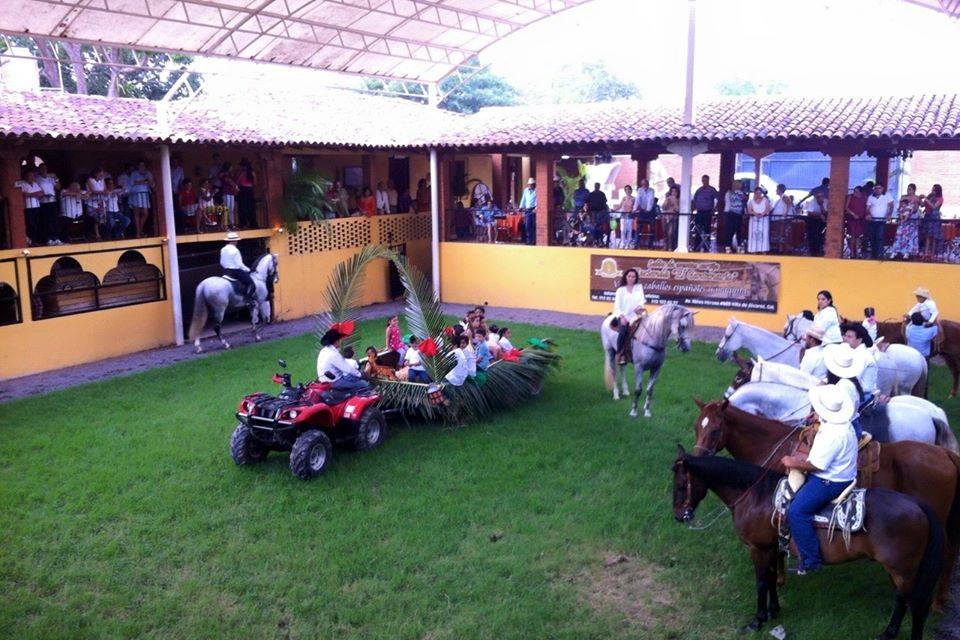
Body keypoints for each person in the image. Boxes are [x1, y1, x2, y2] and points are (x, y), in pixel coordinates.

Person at [781, 384, 858, 574]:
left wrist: (791, 461)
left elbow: (816, 465)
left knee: (797, 511)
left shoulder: (832, 434)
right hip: (845, 474)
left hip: (829, 481)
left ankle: (810, 560)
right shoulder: (843, 424)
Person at [823, 342, 869, 440]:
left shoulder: (842, 386)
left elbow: (837, 416)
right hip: (853, 425)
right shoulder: (850, 381)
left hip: (844, 431)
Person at [316, 323, 370, 394]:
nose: (343, 341)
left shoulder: (324, 350)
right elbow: (348, 369)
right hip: (335, 382)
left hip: (325, 380)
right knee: (364, 384)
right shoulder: (333, 354)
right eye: (341, 339)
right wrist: (361, 375)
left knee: (352, 376)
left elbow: (344, 363)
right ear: (337, 341)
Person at [613, 268, 646, 365]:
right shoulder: (620, 290)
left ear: (636, 278)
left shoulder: (639, 288)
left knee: (647, 327)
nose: (631, 278)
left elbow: (641, 301)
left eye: (633, 276)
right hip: (624, 316)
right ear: (626, 277)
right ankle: (620, 354)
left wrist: (639, 308)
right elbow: (617, 306)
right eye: (629, 276)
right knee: (623, 331)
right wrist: (622, 317)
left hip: (636, 315)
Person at [220, 231, 255, 306]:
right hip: (235, 271)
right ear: (234, 241)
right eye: (236, 240)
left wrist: (227, 267)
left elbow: (221, 262)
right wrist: (249, 270)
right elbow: (239, 264)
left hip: (226, 271)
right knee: (251, 283)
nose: (237, 242)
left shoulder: (223, 249)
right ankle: (247, 299)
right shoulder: (236, 250)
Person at [889, 183, 921, 259]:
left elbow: (916, 209)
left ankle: (907, 252)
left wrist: (912, 205)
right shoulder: (903, 197)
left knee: (909, 237)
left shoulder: (916, 198)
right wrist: (902, 210)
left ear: (914, 190)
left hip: (911, 221)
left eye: (910, 189)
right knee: (899, 235)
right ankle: (896, 251)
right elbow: (899, 207)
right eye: (908, 188)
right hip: (902, 219)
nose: (908, 190)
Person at [16, 169, 46, 246]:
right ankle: (30, 240)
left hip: (36, 206)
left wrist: (30, 194)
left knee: (37, 224)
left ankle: (35, 240)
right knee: (30, 224)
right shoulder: (22, 184)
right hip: (28, 208)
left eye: (33, 176)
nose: (32, 177)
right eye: (30, 176)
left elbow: (42, 193)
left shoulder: (35, 184)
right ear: (26, 177)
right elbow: (22, 194)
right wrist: (34, 194)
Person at [866, 184, 894, 259]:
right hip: (873, 220)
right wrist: (868, 214)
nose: (878, 190)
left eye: (879, 188)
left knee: (880, 236)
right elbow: (868, 208)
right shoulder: (870, 197)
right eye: (876, 188)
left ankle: (880, 254)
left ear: (883, 188)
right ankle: (873, 255)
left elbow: (891, 206)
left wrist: (889, 214)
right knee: (872, 237)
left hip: (882, 220)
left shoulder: (887, 196)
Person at [692, 175, 719, 252]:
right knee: (698, 230)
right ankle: (696, 247)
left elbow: (718, 198)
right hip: (699, 212)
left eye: (706, 180)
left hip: (708, 212)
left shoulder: (712, 190)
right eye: (703, 180)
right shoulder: (699, 190)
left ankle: (706, 247)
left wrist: (715, 208)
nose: (704, 181)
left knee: (707, 230)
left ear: (708, 180)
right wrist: (693, 210)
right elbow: (694, 201)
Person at [36, 164, 62, 246]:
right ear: (39, 170)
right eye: (42, 169)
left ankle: (56, 238)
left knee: (54, 220)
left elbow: (58, 188)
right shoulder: (37, 179)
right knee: (46, 221)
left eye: (45, 168)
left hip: (52, 201)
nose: (44, 170)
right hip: (43, 202)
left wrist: (56, 178)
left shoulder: (51, 178)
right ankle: (48, 238)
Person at [720, 180, 748, 253]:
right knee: (737, 230)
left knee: (730, 230)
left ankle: (728, 247)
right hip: (735, 213)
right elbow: (744, 199)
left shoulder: (730, 193)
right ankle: (737, 246)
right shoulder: (738, 193)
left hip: (731, 213)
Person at [129, 161, 154, 238]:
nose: (142, 167)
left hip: (145, 193)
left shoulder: (148, 173)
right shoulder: (134, 173)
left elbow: (152, 183)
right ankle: (138, 232)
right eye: (140, 165)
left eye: (143, 165)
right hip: (136, 194)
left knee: (145, 213)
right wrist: (143, 181)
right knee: (137, 213)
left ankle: (140, 230)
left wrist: (145, 180)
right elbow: (132, 183)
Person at [920, 184, 944, 260]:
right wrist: (920, 199)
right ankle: (926, 253)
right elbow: (922, 205)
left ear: (937, 191)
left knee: (934, 236)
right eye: (932, 189)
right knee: (927, 236)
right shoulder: (930, 196)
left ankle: (932, 255)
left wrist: (927, 200)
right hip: (927, 216)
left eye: (934, 190)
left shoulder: (940, 198)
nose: (932, 191)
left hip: (935, 217)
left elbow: (934, 207)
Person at [845, 186, 868, 258]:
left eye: (856, 191)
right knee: (852, 236)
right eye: (854, 191)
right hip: (852, 219)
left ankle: (857, 252)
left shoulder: (864, 198)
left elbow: (866, 208)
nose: (854, 193)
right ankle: (852, 253)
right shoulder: (850, 197)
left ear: (860, 192)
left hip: (860, 219)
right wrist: (853, 214)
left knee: (858, 237)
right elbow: (846, 207)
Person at [746, 186, 771, 253]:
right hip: (754, 220)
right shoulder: (751, 201)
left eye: (759, 193)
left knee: (764, 234)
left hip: (764, 220)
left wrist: (762, 214)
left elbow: (768, 209)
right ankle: (754, 249)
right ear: (754, 193)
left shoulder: (765, 200)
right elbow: (749, 210)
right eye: (756, 193)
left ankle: (763, 249)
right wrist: (755, 213)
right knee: (754, 235)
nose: (758, 194)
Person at [802, 191, 827, 256]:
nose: (819, 198)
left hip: (821, 222)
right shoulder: (811, 202)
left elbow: (825, 212)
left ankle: (820, 250)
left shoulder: (826, 201)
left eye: (821, 196)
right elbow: (810, 212)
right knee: (811, 237)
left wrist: (821, 205)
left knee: (820, 237)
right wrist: (820, 215)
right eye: (818, 197)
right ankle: (812, 252)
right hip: (812, 221)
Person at [633, 178, 656, 249]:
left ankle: (650, 245)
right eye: (643, 184)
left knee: (652, 228)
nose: (644, 185)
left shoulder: (651, 190)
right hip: (642, 211)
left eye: (645, 184)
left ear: (648, 184)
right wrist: (634, 209)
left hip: (650, 211)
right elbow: (637, 200)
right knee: (639, 227)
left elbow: (650, 200)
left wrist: (648, 210)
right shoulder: (640, 190)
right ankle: (637, 244)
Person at [236, 159, 256, 228]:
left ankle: (243, 223)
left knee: (243, 207)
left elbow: (238, 182)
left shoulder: (242, 172)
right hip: (250, 190)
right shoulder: (252, 172)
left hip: (243, 190)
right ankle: (251, 223)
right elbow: (255, 182)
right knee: (250, 207)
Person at [518, 177, 538, 245]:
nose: (530, 185)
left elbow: (538, 200)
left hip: (533, 210)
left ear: (534, 184)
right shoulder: (526, 190)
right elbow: (523, 199)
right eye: (529, 184)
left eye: (532, 184)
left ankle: (531, 241)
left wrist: (536, 208)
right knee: (527, 225)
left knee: (531, 225)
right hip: (527, 209)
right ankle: (529, 240)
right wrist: (521, 207)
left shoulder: (537, 190)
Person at [219, 163, 238, 229]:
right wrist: (235, 186)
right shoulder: (223, 174)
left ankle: (232, 224)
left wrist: (235, 186)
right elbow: (228, 181)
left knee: (231, 209)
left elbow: (231, 181)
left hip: (231, 193)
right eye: (231, 167)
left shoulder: (230, 175)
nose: (231, 169)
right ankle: (225, 225)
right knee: (226, 209)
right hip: (226, 192)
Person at [661, 185, 680, 251]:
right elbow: (663, 207)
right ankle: (665, 246)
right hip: (665, 217)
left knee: (671, 233)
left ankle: (670, 247)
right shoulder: (668, 198)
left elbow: (678, 209)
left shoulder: (679, 200)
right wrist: (667, 201)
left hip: (673, 218)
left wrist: (674, 202)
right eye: (672, 191)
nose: (674, 193)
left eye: (675, 191)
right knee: (665, 232)